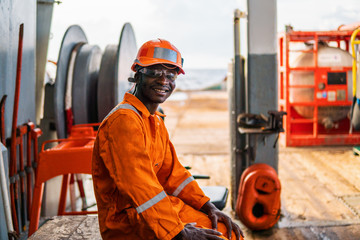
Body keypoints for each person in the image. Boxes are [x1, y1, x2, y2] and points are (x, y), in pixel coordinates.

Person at [92, 39, 244, 240]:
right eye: (154, 72)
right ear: (137, 75)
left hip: (150, 214)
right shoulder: (124, 122)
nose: (164, 81)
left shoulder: (153, 120)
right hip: (126, 223)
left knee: (230, 234)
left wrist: (208, 207)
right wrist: (180, 233)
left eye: (170, 74)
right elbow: (141, 189)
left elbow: (174, 175)